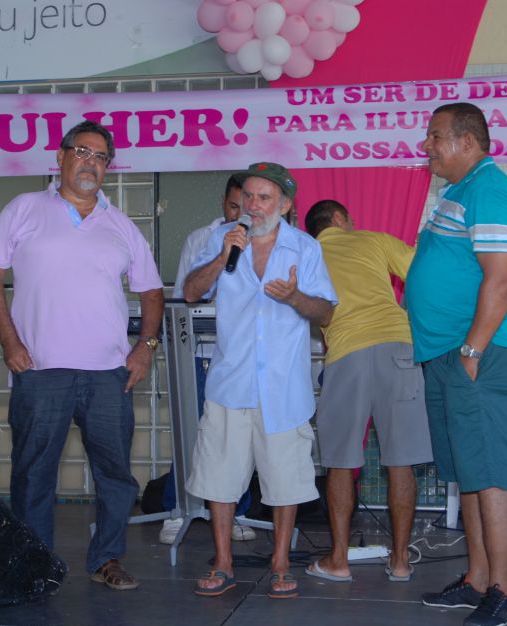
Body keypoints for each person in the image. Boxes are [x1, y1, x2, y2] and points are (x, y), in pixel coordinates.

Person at [0, 120, 164, 592]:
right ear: (60, 157)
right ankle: (34, 565)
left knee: (116, 476)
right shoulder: (24, 208)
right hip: (40, 369)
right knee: (33, 473)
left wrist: (145, 347)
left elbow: (151, 290)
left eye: (100, 157)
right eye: (82, 151)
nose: (90, 163)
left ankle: (107, 559)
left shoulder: (121, 225)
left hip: (108, 374)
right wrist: (10, 342)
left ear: (108, 168)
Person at [183, 162, 337, 599]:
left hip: (284, 387)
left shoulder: (304, 248)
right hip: (230, 381)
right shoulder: (222, 238)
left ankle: (281, 563)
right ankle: (223, 562)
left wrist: (295, 297)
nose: (252, 206)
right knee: (219, 479)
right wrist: (222, 257)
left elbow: (326, 312)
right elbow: (191, 292)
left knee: (285, 481)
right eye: (248, 196)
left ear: (285, 206)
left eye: (264, 198)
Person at [405, 102, 507, 626]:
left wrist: (473, 351)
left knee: (491, 472)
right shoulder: (458, 193)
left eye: (435, 136)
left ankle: (505, 591)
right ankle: (478, 580)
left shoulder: (489, 189)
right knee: (470, 474)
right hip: (449, 356)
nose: (426, 145)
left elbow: (499, 278)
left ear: (468, 141)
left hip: (482, 353)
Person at [302, 200, 432, 585]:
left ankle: (338, 560)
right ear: (340, 219)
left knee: (341, 463)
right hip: (399, 347)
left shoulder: (306, 254)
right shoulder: (373, 240)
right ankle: (401, 561)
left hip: (347, 354)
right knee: (401, 461)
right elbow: (422, 274)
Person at [159, 173, 257, 545]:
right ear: (223, 203)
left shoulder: (268, 240)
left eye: (247, 207)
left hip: (244, 355)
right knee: (194, 432)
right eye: (234, 206)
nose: (240, 215)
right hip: (201, 353)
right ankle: (178, 507)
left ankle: (238, 510)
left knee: (240, 437)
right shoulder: (201, 238)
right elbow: (185, 297)